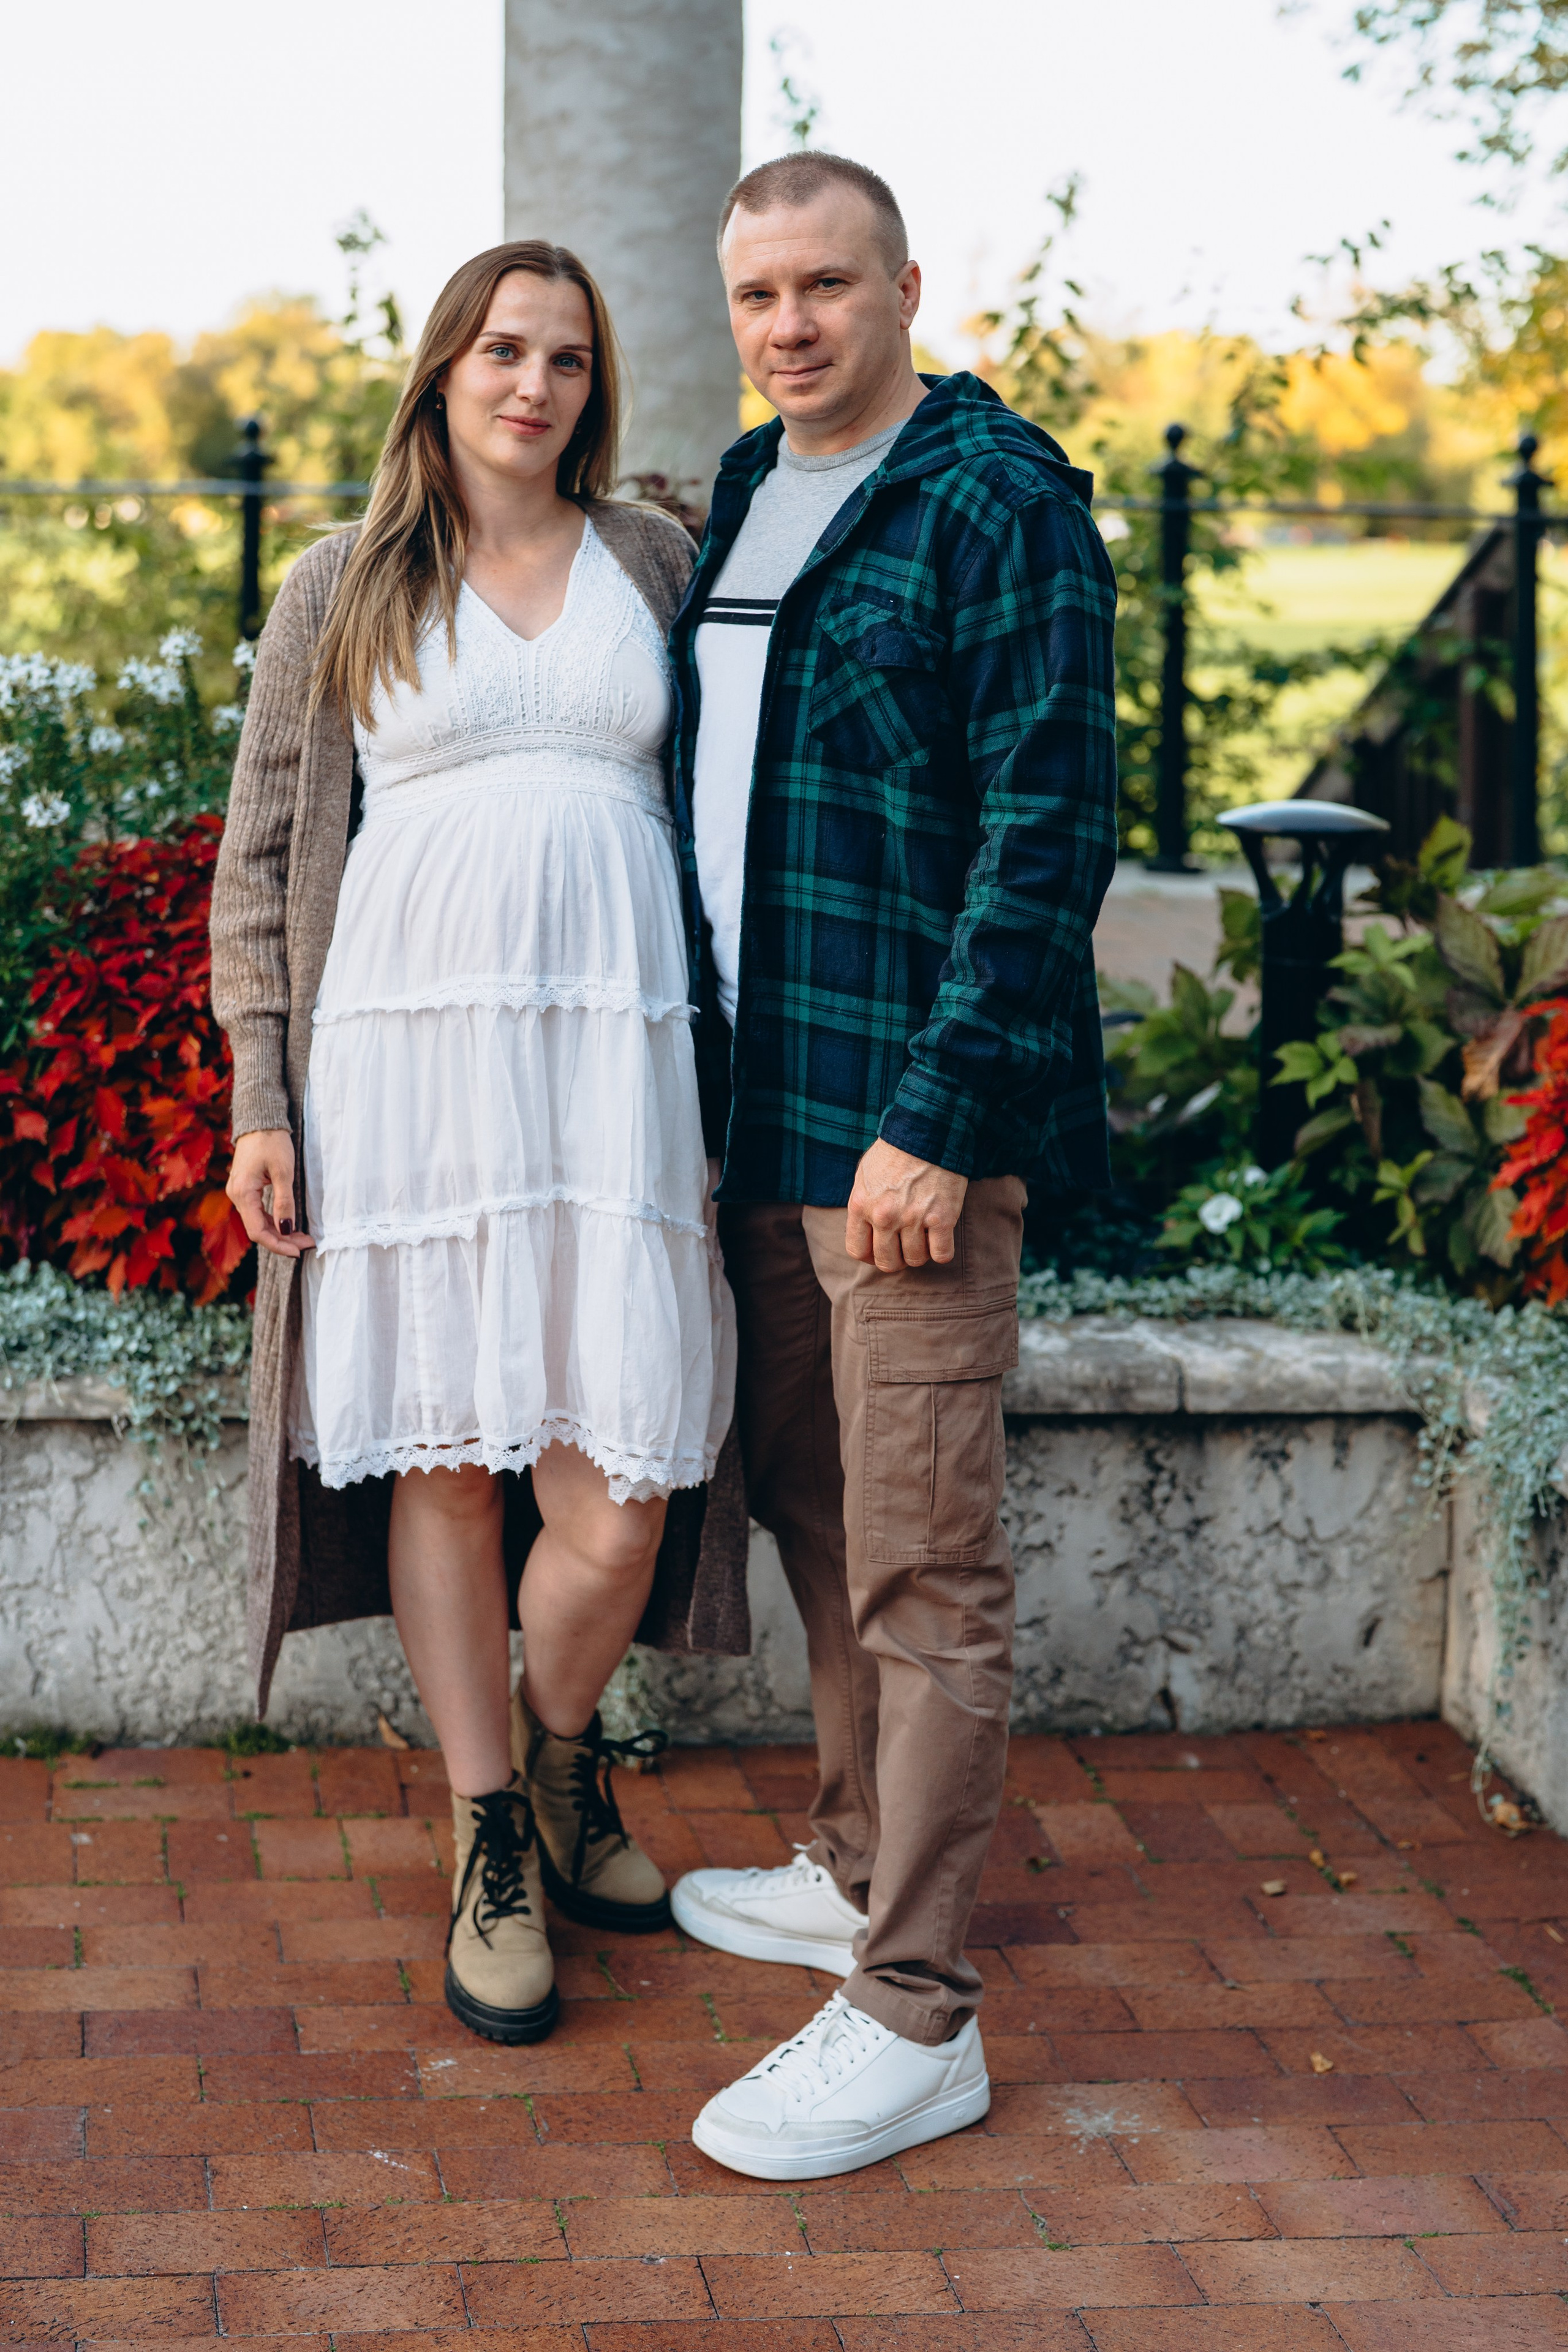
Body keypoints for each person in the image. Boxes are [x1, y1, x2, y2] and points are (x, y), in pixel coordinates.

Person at [209, 240, 747, 2051]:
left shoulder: (655, 564)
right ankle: (490, 1832)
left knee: (624, 1486)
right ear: (442, 370)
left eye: (571, 359)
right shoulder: (341, 583)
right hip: (409, 1073)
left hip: (612, 1078)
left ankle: (567, 1745)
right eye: (504, 350)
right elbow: (266, 865)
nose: (536, 385)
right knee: (445, 1461)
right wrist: (261, 1096)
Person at [665, 154, 1118, 2179]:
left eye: (826, 288)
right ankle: (853, 1858)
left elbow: (1049, 835)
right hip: (764, 1113)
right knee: (823, 1512)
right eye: (759, 294)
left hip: (904, 1126)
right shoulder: (750, 491)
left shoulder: (997, 502)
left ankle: (918, 2005)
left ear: (906, 286)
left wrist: (941, 1115)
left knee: (929, 1556)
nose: (790, 326)